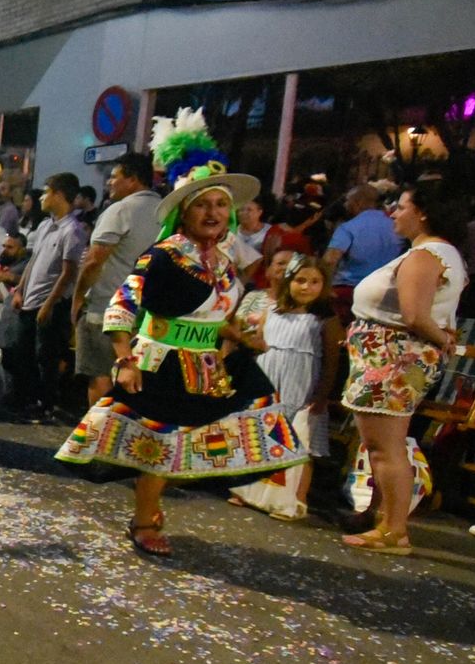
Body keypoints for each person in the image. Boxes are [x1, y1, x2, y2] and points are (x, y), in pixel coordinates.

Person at [56, 109, 306, 558]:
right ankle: (143, 519)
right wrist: (125, 359)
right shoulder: (164, 255)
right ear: (184, 211)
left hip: (212, 365)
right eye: (202, 204)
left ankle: (152, 508)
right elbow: (123, 303)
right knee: (160, 444)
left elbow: (214, 313)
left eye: (221, 204)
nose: (213, 212)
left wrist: (240, 336)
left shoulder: (226, 261)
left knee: (227, 432)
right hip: (163, 362)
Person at [338, 181, 469, 554]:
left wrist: (444, 340)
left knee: (386, 447)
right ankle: (381, 518)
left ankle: (394, 529)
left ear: (423, 212)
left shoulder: (427, 255)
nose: (393, 213)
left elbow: (414, 314)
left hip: (392, 360)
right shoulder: (433, 253)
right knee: (381, 444)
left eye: (402, 206)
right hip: (386, 356)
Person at [227, 252, 341, 521]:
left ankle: (297, 499)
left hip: (300, 382)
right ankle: (248, 490)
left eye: (314, 282)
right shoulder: (274, 310)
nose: (306, 287)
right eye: (300, 280)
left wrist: (323, 395)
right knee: (259, 433)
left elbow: (331, 362)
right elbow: (259, 342)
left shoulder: (325, 320)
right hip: (268, 373)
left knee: (299, 441)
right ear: (289, 280)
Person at [71, 154, 162, 405]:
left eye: (114, 176)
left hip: (106, 309)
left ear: (132, 180)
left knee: (100, 376)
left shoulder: (120, 210)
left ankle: (99, 439)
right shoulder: (167, 211)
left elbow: (93, 262)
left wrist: (78, 298)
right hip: (149, 314)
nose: (109, 182)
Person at [8, 173, 84, 419]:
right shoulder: (44, 226)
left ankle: (46, 403)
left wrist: (49, 304)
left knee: (46, 356)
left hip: (51, 304)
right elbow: (33, 261)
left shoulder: (72, 230)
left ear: (59, 195)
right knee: (23, 351)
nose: (42, 197)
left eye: (46, 192)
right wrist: (19, 289)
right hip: (30, 299)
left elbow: (68, 272)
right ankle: (27, 397)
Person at [324, 184, 403, 324]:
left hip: (348, 293)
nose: (346, 205)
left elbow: (330, 259)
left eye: (348, 201)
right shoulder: (397, 228)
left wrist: (325, 289)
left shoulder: (348, 228)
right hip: (384, 293)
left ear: (358, 202)